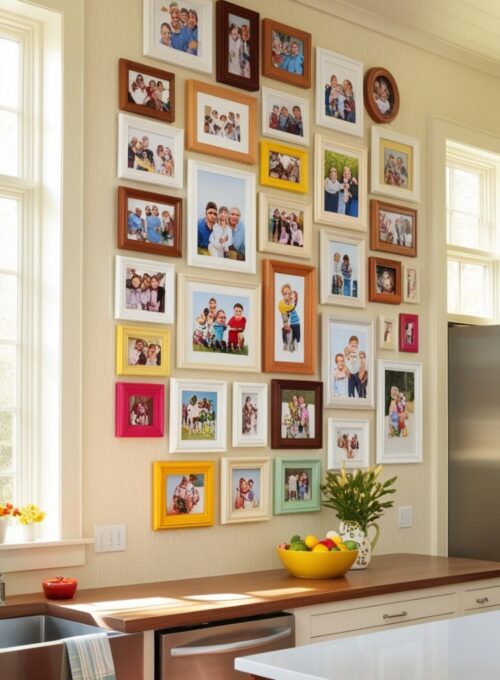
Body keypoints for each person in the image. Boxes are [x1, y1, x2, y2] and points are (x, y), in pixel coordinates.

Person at [278, 283, 300, 353]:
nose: (288, 295)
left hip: (295, 324)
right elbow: (284, 314)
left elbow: (294, 304)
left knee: (296, 341)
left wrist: (293, 299)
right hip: (288, 327)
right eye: (285, 294)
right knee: (288, 342)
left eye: (289, 293)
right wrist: (286, 322)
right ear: (282, 295)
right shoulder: (282, 304)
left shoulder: (292, 303)